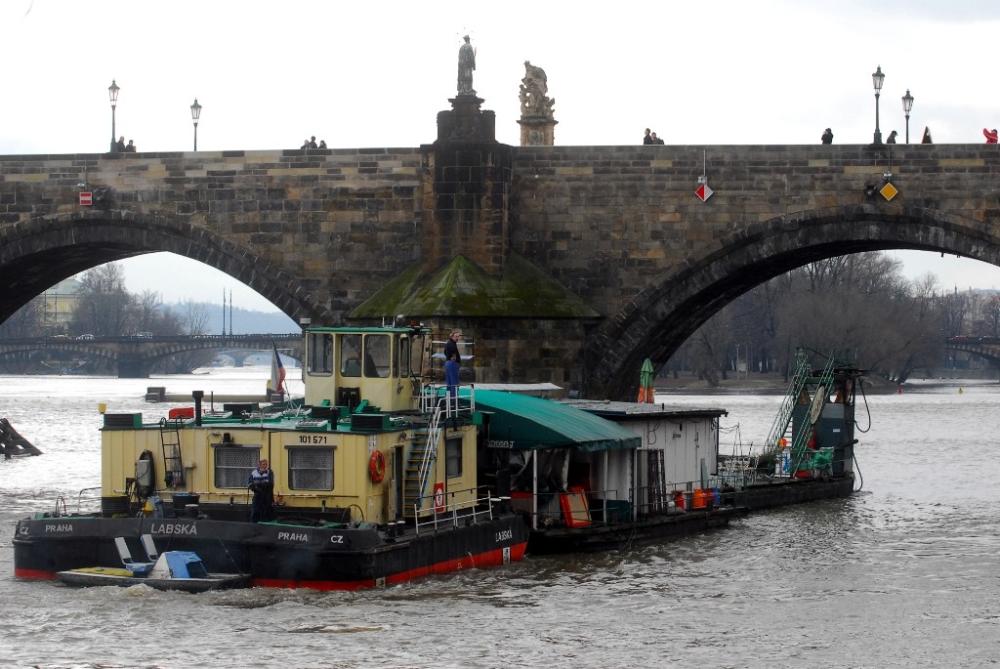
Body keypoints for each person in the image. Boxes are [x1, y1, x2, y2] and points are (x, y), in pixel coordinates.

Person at [443, 329, 462, 402]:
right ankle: (454, 402)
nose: (457, 338)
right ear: (452, 336)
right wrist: (453, 358)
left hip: (448, 363)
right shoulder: (452, 344)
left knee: (449, 383)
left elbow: (445, 352)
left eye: (458, 336)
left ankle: (448, 400)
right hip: (452, 364)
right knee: (454, 383)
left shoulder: (449, 343)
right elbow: (453, 353)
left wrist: (449, 357)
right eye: (456, 336)